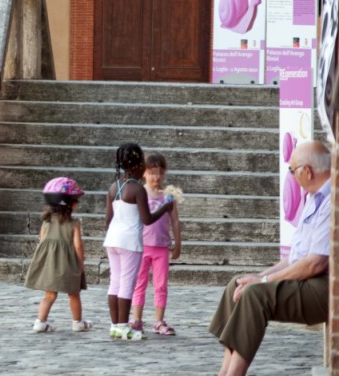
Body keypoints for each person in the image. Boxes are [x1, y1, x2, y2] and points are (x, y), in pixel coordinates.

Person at [209, 141, 331, 376]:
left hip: (324, 286)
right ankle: (224, 371)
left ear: (307, 171)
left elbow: (316, 263)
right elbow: (293, 257)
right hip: (306, 277)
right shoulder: (312, 198)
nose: (292, 176)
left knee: (255, 295)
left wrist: (264, 283)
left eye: (292, 170)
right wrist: (258, 276)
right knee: (239, 284)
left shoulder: (330, 200)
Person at [103, 143, 174, 340]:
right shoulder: (137, 189)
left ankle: (115, 325)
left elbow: (108, 219)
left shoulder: (113, 187)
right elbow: (147, 219)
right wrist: (165, 207)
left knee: (114, 282)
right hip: (129, 242)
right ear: (137, 166)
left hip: (112, 240)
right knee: (127, 283)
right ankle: (124, 326)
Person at [24, 177, 92, 333]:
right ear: (68, 204)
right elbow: (77, 246)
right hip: (68, 264)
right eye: (76, 200)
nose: (78, 203)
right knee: (74, 294)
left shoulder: (46, 221)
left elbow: (42, 239)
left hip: (49, 264)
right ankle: (77, 322)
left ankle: (40, 322)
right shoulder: (74, 224)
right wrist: (81, 262)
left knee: (49, 295)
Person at [129, 153, 182, 336]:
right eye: (152, 172)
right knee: (139, 283)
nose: (156, 177)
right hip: (141, 247)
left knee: (161, 285)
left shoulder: (168, 196)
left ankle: (159, 320)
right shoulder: (139, 193)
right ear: (144, 173)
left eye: (159, 172)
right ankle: (137, 319)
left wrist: (178, 243)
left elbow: (175, 221)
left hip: (161, 248)